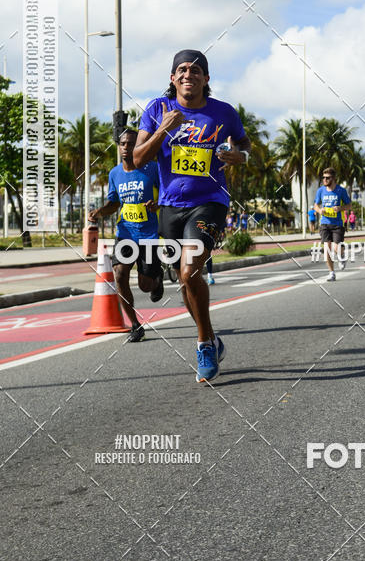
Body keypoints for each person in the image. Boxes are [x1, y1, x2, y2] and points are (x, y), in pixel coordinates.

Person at [134, 49, 251, 383]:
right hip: (171, 206)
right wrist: (163, 130)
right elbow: (139, 158)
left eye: (197, 70)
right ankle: (212, 339)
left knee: (189, 270)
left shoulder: (223, 112)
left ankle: (202, 344)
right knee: (186, 281)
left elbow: (244, 144)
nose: (189, 74)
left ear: (207, 79)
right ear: (173, 78)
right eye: (182, 69)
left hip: (210, 201)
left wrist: (239, 155)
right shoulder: (158, 109)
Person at [88, 129, 163, 342]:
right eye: (122, 144)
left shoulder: (153, 169)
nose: (125, 148)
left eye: (130, 144)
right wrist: (99, 212)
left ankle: (157, 280)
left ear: (138, 146)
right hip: (126, 234)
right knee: (119, 274)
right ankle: (136, 326)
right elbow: (114, 203)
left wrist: (157, 205)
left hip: (148, 236)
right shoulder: (115, 174)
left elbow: (168, 194)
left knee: (145, 286)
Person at [314, 168, 351, 281]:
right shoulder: (320, 191)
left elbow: (349, 205)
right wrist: (320, 211)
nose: (325, 179)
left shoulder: (341, 190)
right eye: (323, 177)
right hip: (324, 223)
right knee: (327, 249)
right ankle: (331, 273)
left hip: (337, 224)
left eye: (327, 177)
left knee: (336, 247)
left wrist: (340, 208)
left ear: (334, 178)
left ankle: (342, 255)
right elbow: (316, 205)